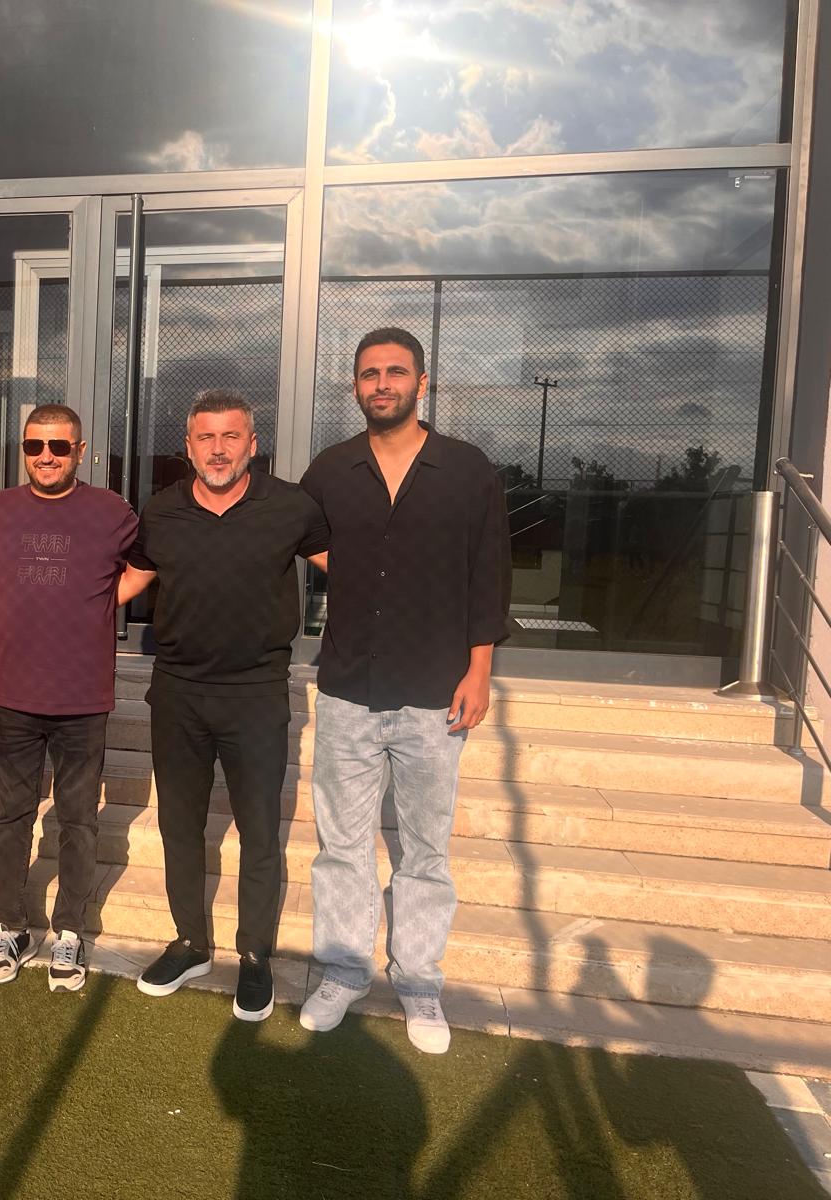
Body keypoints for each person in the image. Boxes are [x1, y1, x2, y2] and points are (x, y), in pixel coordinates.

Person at [296, 327, 510, 1054]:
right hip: (348, 689)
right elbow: (300, 535)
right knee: (342, 846)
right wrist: (357, 570)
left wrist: (479, 669)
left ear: (422, 382)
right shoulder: (331, 469)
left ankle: (418, 981)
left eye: (394, 372)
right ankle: (342, 971)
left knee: (424, 849)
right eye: (369, 374)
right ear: (355, 386)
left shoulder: (466, 469)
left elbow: (489, 572)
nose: (381, 384)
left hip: (435, 690)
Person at [118, 390, 327, 1022]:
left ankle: (255, 954)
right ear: (188, 447)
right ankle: (190, 943)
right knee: (180, 826)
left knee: (260, 832)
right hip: (177, 693)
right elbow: (130, 580)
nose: (217, 450)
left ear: (251, 445)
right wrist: (41, 597)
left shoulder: (290, 507)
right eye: (205, 437)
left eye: (230, 436)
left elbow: (354, 569)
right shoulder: (162, 510)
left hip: (256, 696)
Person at [0, 403, 137, 991]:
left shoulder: (111, 511)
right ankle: (12, 925)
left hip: (82, 697)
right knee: (10, 816)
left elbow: (147, 567)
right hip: (13, 693)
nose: (46, 457)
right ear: (24, 450)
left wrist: (100, 604)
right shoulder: (0, 509)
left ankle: (69, 930)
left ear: (81, 451)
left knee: (78, 820)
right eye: (35, 446)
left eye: (59, 447)